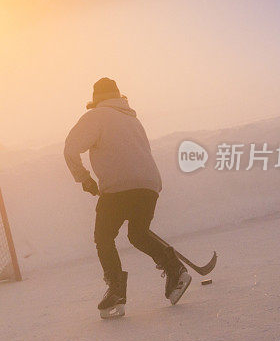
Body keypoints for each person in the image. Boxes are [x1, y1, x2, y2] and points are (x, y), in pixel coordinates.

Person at [64, 77, 191, 318]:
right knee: (138, 233)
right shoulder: (132, 118)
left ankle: (116, 291)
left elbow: (70, 148)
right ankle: (175, 270)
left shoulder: (95, 116)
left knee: (104, 237)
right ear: (118, 95)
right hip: (149, 186)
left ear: (96, 98)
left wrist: (84, 179)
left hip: (118, 188)